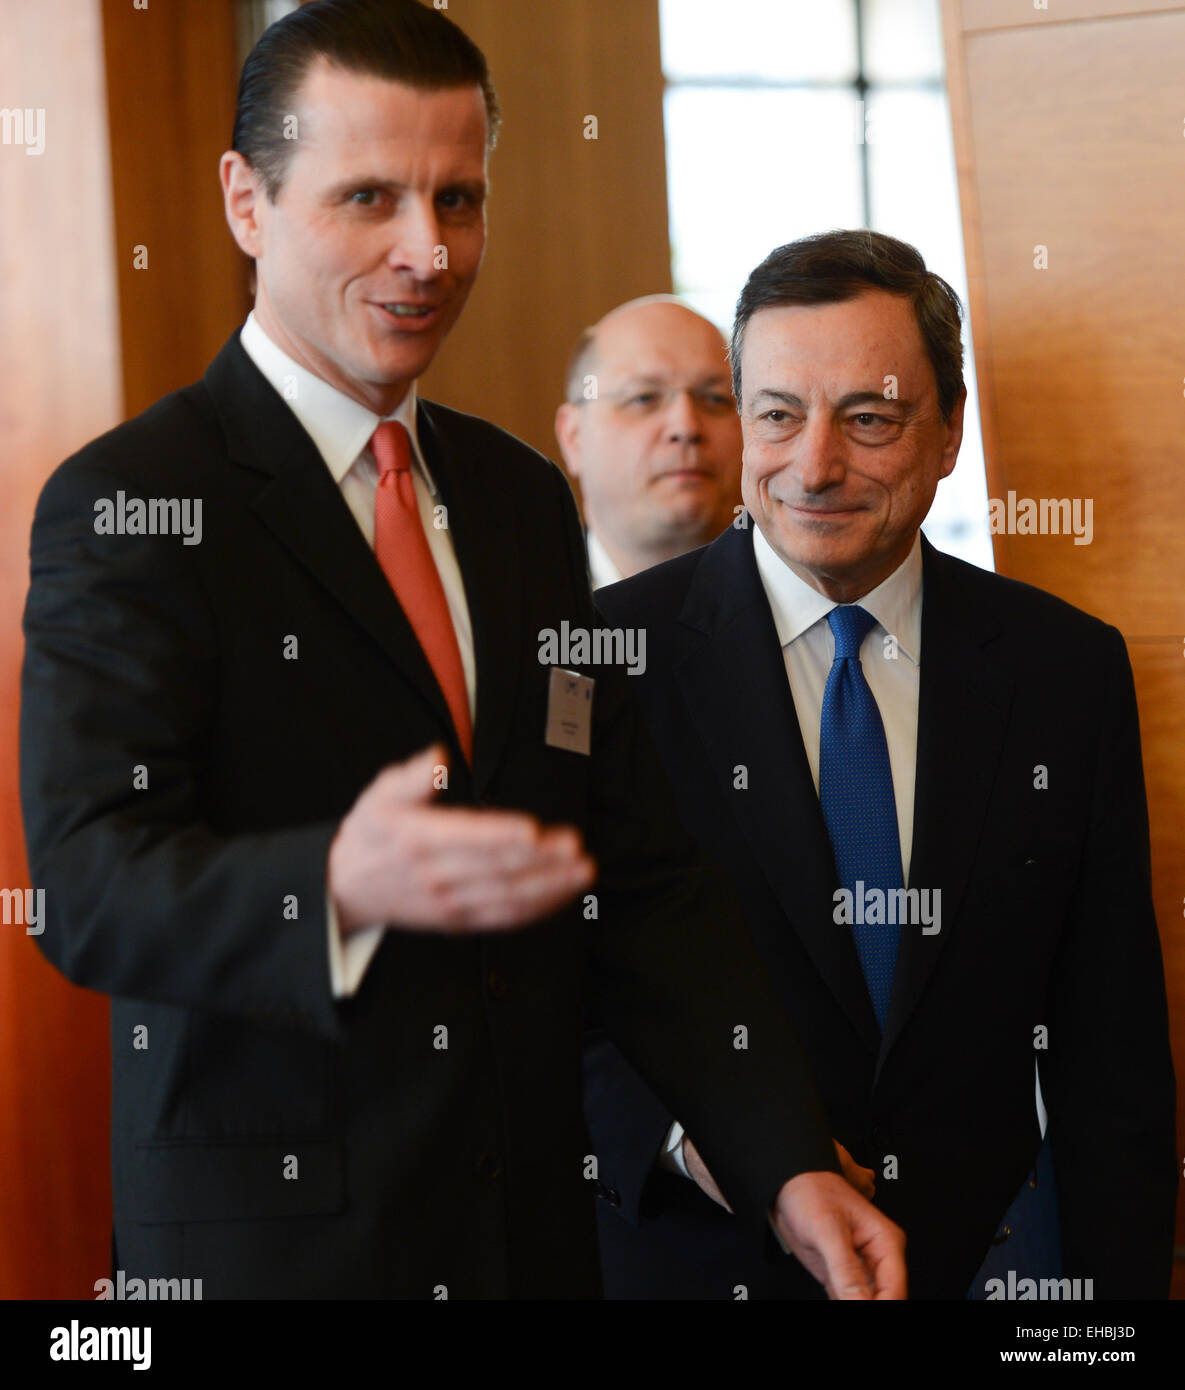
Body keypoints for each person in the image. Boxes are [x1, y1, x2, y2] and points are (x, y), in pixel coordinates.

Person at [19, 3, 904, 1300]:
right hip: (281, 1253)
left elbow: (641, 873)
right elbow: (87, 883)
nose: (427, 251)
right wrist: (334, 880)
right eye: (369, 197)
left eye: (458, 198)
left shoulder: (513, 500)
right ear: (245, 201)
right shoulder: (137, 499)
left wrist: (781, 1160)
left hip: (533, 1240)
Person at [585, 230, 1177, 1300]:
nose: (814, 465)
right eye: (776, 415)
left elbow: (1112, 1052)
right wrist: (695, 1139)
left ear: (949, 430)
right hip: (695, 1262)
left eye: (868, 419)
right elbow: (547, 992)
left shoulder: (1063, 670)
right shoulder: (601, 661)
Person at [555, 298, 741, 588]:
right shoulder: (518, 607)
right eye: (644, 398)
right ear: (574, 436)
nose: (686, 427)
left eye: (715, 398)